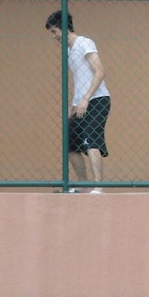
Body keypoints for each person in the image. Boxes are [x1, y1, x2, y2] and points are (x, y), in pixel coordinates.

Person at [46, 10, 111, 193]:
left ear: (64, 28)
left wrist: (85, 99)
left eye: (54, 31)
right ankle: (83, 185)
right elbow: (79, 79)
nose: (54, 37)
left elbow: (99, 72)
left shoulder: (84, 43)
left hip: (97, 100)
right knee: (71, 143)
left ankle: (99, 186)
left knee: (91, 140)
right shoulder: (68, 50)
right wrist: (74, 105)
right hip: (81, 103)